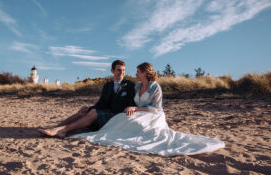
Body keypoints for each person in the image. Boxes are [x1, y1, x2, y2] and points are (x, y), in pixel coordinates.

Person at [73, 62, 225, 156]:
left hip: (153, 115)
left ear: (145, 73)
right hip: (139, 111)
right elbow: (132, 101)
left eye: (138, 72)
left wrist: (136, 108)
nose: (136, 74)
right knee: (122, 117)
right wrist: (131, 108)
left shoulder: (155, 87)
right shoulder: (138, 86)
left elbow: (155, 108)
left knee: (135, 124)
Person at [38, 60, 136, 138]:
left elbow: (132, 102)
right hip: (106, 111)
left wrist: (131, 108)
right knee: (83, 111)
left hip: (117, 115)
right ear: (112, 71)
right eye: (119, 70)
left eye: (123, 70)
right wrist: (89, 108)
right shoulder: (107, 85)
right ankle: (55, 128)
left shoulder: (130, 85)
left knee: (93, 112)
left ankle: (63, 130)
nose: (122, 72)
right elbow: (101, 103)